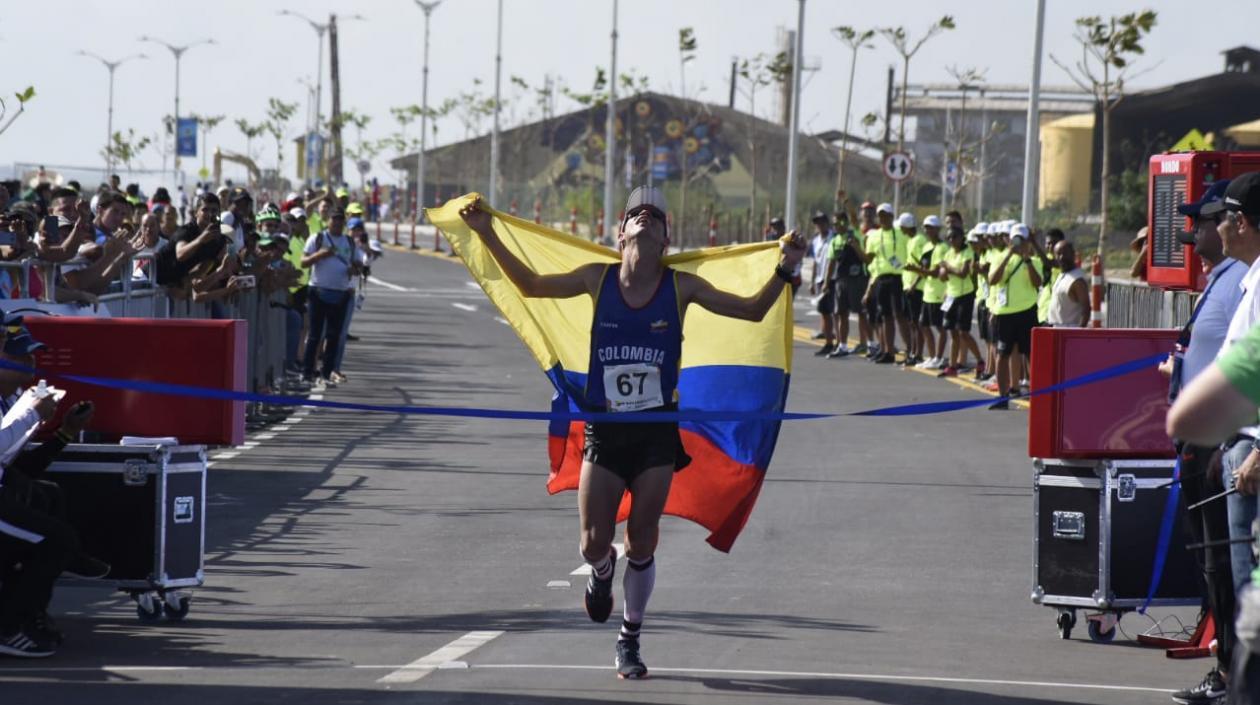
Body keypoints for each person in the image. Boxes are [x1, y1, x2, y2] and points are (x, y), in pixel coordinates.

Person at [458, 186, 805, 680]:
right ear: (621, 235)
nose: (645, 217)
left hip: (656, 433)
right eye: (635, 214)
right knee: (593, 543)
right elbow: (532, 285)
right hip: (605, 428)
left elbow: (750, 310)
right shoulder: (595, 278)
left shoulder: (680, 287)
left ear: (665, 239)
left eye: (655, 216)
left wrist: (785, 267)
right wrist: (486, 231)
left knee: (642, 540)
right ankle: (602, 573)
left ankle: (630, 638)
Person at [1158, 178, 1247, 705]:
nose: (1194, 231)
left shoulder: (1243, 278)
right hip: (1208, 441)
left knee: (1228, 563)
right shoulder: (1225, 276)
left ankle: (1235, 676)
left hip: (1225, 442)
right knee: (1215, 562)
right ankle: (1228, 670)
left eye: (1203, 221)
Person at [301, 208, 365, 387]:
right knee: (314, 335)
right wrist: (320, 255)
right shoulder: (317, 238)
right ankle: (307, 374)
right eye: (333, 220)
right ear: (328, 221)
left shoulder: (349, 242)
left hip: (340, 295)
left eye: (340, 220)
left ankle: (326, 374)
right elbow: (303, 262)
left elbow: (358, 264)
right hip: (318, 293)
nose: (336, 223)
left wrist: (355, 269)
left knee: (334, 337)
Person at [987, 223, 1042, 409]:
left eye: (1021, 239)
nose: (1018, 243)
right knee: (1002, 354)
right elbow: (992, 280)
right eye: (1015, 239)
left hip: (1027, 311)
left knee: (1030, 354)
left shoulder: (1034, 261)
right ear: (1009, 240)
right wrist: (1009, 255)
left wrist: (1026, 260)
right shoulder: (1000, 257)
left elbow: (1037, 282)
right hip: (1005, 314)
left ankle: (1037, 397)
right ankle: (1003, 397)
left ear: (1027, 241)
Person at [862, 203, 912, 364]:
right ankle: (888, 351)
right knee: (885, 316)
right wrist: (856, 247)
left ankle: (910, 350)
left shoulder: (901, 234)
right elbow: (868, 259)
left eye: (886, 215)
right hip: (882, 278)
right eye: (881, 216)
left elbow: (911, 253)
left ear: (892, 216)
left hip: (898, 278)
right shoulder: (875, 236)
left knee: (900, 315)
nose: (883, 218)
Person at [936, 225, 984, 378]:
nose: (951, 240)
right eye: (949, 238)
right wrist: (944, 273)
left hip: (965, 295)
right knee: (952, 331)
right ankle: (952, 365)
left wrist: (948, 268)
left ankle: (979, 360)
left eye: (954, 237)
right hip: (951, 295)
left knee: (963, 332)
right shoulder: (949, 253)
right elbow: (942, 274)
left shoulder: (967, 252)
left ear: (962, 238)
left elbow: (963, 273)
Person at [825, 211, 870, 358]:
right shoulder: (835, 240)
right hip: (840, 280)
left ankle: (867, 343)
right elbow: (831, 262)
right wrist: (826, 282)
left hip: (857, 279)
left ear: (845, 222)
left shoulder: (854, 233)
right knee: (841, 313)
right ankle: (842, 345)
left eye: (838, 223)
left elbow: (854, 218)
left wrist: (846, 202)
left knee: (861, 312)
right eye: (834, 224)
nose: (836, 226)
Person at [914, 215, 949, 369]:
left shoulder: (943, 248)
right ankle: (932, 356)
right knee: (923, 325)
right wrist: (917, 271)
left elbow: (935, 272)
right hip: (927, 292)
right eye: (926, 227)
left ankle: (939, 357)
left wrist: (917, 269)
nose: (927, 230)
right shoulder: (927, 246)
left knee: (940, 327)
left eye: (931, 227)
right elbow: (924, 269)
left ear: (938, 229)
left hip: (938, 293)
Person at [808, 213, 837, 354]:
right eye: (817, 223)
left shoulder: (834, 237)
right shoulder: (816, 241)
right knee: (824, 311)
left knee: (835, 312)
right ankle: (829, 342)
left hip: (833, 278)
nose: (819, 225)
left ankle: (838, 342)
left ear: (827, 223)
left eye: (821, 222)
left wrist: (827, 279)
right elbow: (815, 261)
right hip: (821, 280)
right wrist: (812, 282)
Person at [1046, 241, 1090, 328]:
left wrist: (1078, 334)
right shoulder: (1063, 274)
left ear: (1073, 254)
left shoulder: (1077, 280)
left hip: (1068, 331)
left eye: (1065, 253)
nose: (1061, 257)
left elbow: (1086, 309)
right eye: (1058, 254)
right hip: (1055, 328)